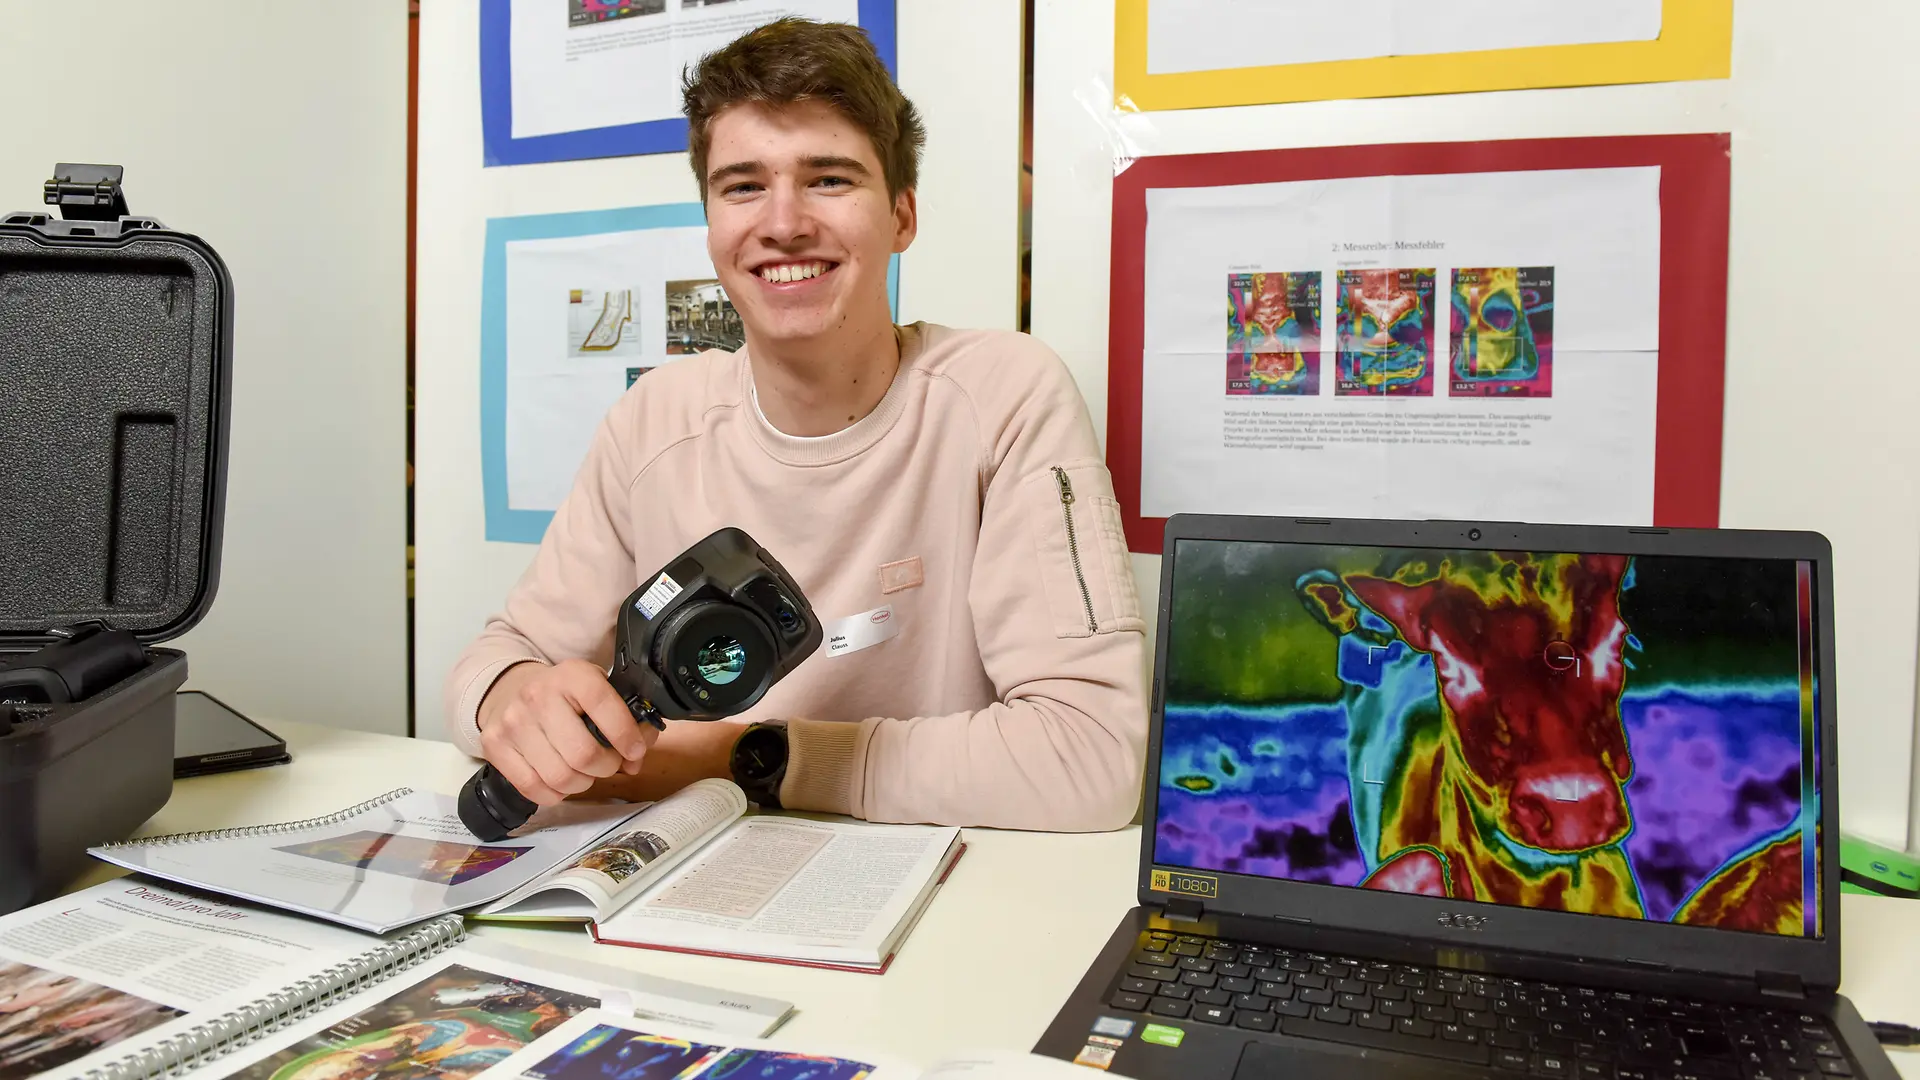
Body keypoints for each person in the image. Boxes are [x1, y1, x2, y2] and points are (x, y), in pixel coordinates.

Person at [443, 18, 1146, 831]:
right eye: (743, 186)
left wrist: (745, 758)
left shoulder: (1004, 397)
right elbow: (492, 662)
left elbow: (1090, 760)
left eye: (829, 180)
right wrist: (514, 701)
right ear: (711, 226)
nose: (782, 223)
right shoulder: (653, 421)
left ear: (902, 216)